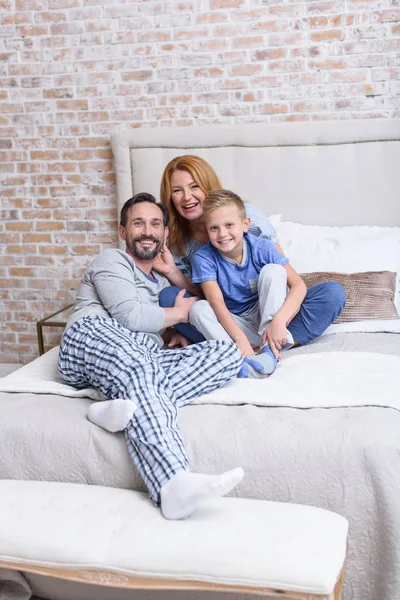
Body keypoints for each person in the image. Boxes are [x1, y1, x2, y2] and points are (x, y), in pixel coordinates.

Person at [58, 192, 244, 520]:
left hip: (137, 359)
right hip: (89, 336)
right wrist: (177, 315)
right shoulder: (112, 261)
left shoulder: (161, 280)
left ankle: (109, 406)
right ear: (122, 231)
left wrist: (169, 322)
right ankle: (172, 483)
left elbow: (163, 320)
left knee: (226, 353)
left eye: (155, 224)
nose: (147, 230)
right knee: (139, 364)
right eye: (138, 223)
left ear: (165, 234)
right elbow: (130, 317)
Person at [156, 155, 345, 361]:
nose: (186, 197)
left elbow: (285, 278)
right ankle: (243, 349)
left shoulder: (251, 221)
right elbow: (208, 296)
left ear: (244, 224)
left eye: (194, 187)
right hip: (230, 317)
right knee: (169, 298)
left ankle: (268, 343)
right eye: (177, 190)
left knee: (331, 293)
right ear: (170, 197)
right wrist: (172, 272)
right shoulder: (180, 243)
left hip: (269, 306)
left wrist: (279, 321)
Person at [190, 190, 317, 377]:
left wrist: (278, 321)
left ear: (245, 224)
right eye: (214, 228)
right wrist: (240, 340)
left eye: (229, 225)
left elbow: (299, 285)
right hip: (235, 324)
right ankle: (235, 357)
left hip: (267, 319)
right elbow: (215, 301)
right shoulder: (204, 257)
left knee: (274, 270)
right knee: (198, 308)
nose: (222, 234)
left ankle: (268, 351)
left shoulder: (262, 248)